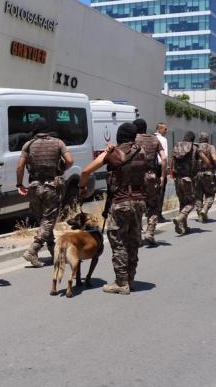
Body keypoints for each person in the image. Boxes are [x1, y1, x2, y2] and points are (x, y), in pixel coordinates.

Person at [79, 123, 147, 295]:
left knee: (119, 243)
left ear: (119, 135)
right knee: (133, 242)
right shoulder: (142, 152)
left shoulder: (113, 153)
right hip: (139, 202)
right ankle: (130, 280)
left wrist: (82, 189)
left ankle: (121, 283)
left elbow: (86, 171)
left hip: (121, 203)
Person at [16, 117, 74, 267]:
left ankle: (54, 252)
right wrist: (60, 169)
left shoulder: (28, 144)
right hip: (51, 187)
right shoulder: (58, 142)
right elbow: (70, 160)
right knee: (48, 221)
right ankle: (33, 250)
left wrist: (19, 184)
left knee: (44, 221)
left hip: (34, 187)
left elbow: (20, 167)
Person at [133, 119, 164, 246]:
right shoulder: (155, 139)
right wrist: (162, 176)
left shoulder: (134, 139)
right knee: (153, 206)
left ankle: (138, 236)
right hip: (151, 176)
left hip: (137, 177)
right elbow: (164, 157)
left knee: (137, 206)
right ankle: (150, 232)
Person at [171, 131, 202, 235]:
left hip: (177, 179)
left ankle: (183, 227)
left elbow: (172, 163)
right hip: (188, 179)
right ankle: (180, 218)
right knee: (191, 203)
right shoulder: (194, 148)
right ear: (193, 139)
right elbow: (201, 160)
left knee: (182, 202)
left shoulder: (177, 147)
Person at [194, 132, 216, 222]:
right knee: (210, 194)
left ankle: (200, 214)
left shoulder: (195, 147)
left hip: (196, 175)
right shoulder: (210, 147)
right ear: (207, 139)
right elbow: (215, 159)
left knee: (198, 196)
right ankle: (204, 210)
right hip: (208, 174)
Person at [154, 123, 169, 218]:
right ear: (159, 129)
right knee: (161, 189)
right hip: (160, 167)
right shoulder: (163, 140)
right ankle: (158, 213)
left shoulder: (151, 138)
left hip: (150, 167)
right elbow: (164, 157)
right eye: (165, 129)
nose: (166, 131)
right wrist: (164, 173)